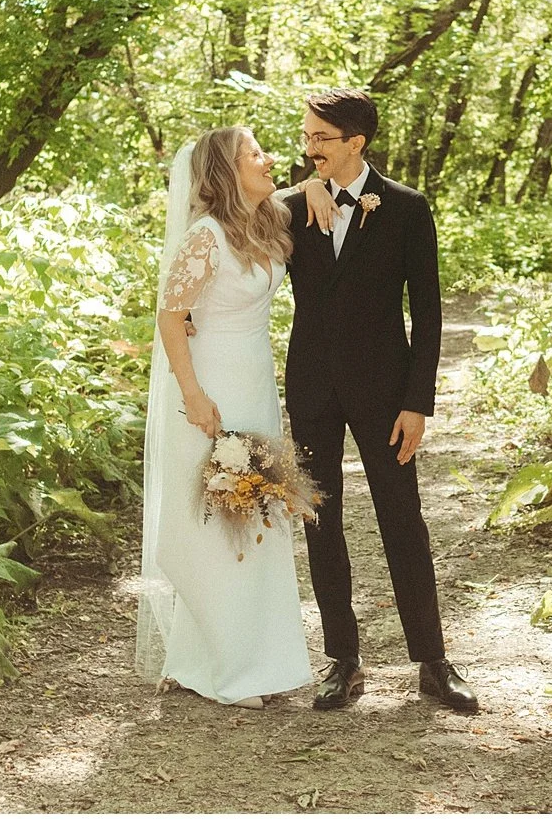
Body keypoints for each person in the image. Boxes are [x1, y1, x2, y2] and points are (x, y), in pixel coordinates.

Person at [282, 88, 478, 714]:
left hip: (386, 393)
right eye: (306, 137)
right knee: (321, 522)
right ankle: (343, 660)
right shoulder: (291, 208)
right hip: (312, 388)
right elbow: (231, 215)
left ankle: (433, 661)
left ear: (356, 143)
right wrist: (300, 189)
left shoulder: (407, 208)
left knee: (402, 518)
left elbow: (428, 312)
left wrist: (418, 402)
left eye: (320, 138)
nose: (309, 148)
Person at [134, 126, 316, 709]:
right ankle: (231, 668)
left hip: (255, 383)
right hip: (211, 389)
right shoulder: (205, 237)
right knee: (216, 522)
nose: (269, 159)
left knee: (257, 516)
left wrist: (313, 185)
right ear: (226, 171)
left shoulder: (261, 223)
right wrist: (193, 394)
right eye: (254, 154)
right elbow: (171, 317)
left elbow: (292, 193)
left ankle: (233, 658)